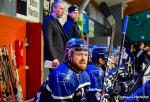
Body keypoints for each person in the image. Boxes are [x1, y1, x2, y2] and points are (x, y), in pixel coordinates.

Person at [42, 1, 68, 68]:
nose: (63, 11)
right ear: (54, 8)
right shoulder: (48, 21)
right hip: (55, 60)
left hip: (60, 58)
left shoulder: (56, 21)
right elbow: (48, 40)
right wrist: (53, 58)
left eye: (64, 9)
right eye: (61, 9)